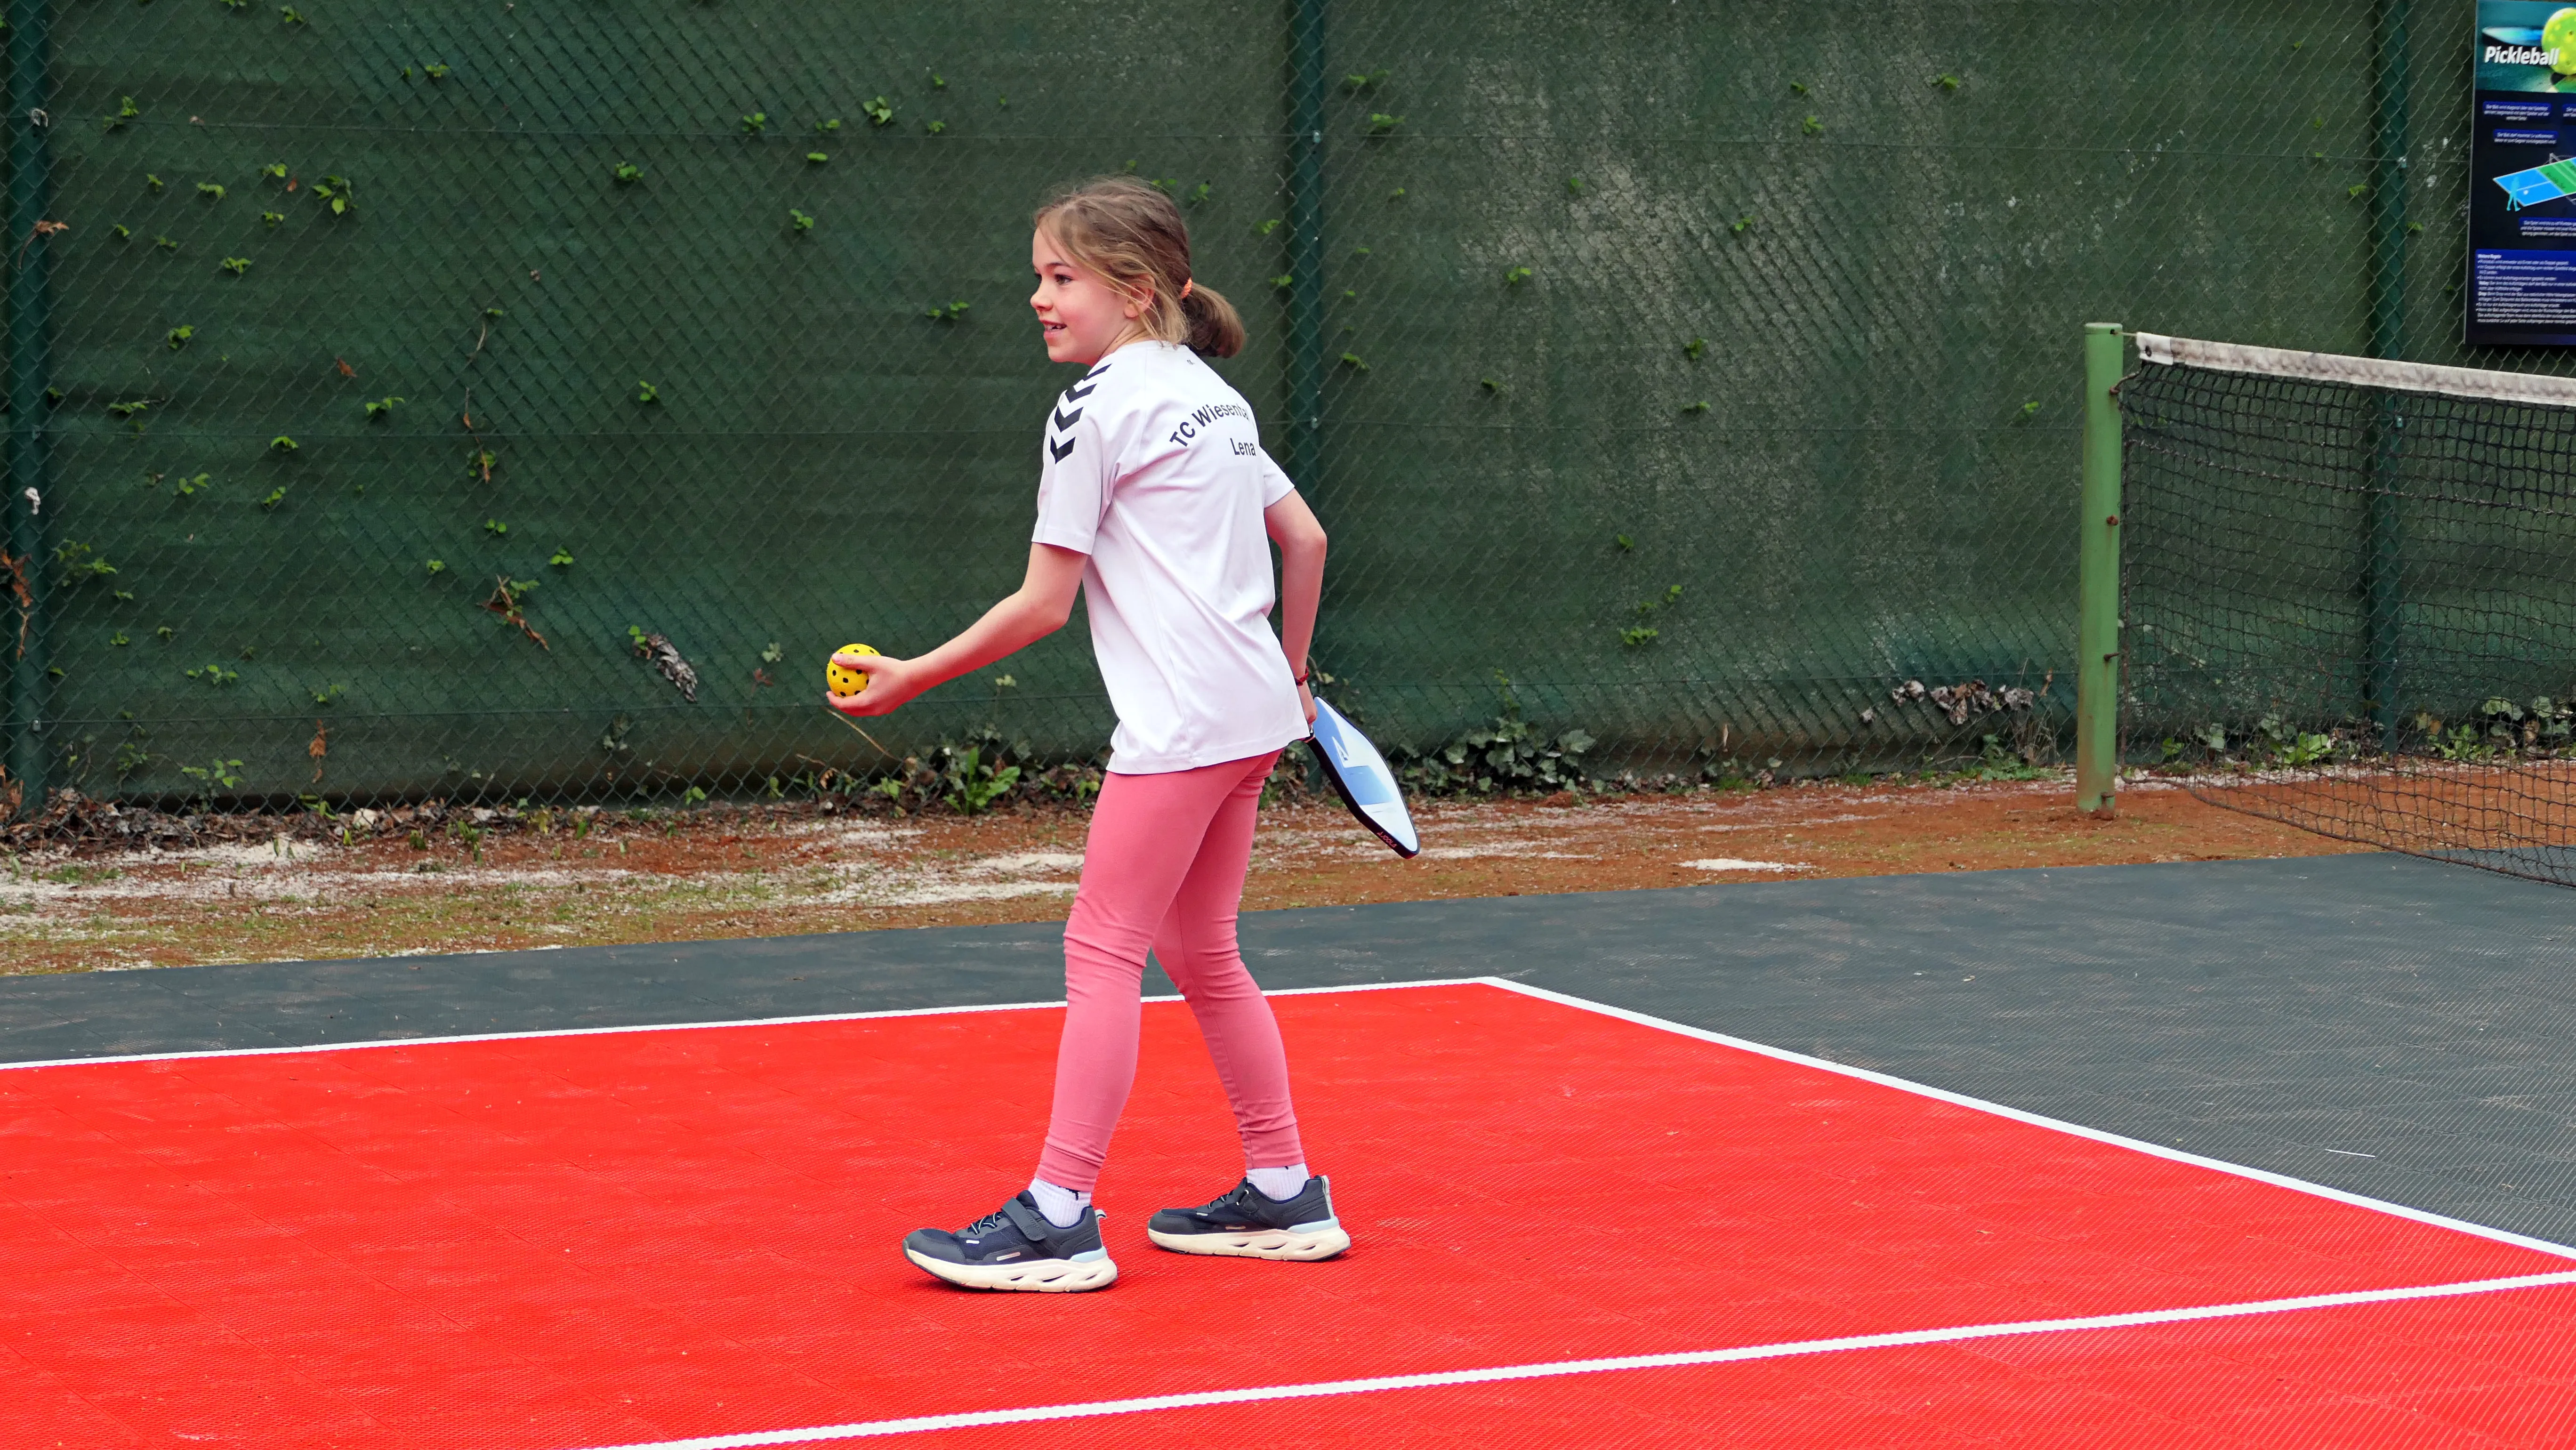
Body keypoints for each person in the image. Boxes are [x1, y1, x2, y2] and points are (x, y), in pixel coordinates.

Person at [827, 175, 1348, 1292]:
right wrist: (1296, 674)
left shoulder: (1096, 407)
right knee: (1203, 951)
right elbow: (1303, 541)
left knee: (1103, 948)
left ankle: (1059, 1214)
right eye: (1039, 276)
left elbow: (1043, 604)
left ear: (1134, 289)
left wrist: (912, 676)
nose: (1038, 298)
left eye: (1060, 278)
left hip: (1184, 727)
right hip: (1256, 713)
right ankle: (1285, 1189)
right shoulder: (1213, 394)